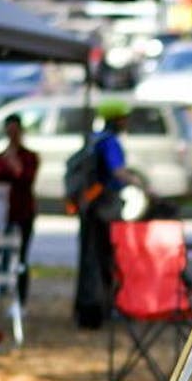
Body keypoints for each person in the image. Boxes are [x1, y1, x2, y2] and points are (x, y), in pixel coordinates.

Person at [73, 98, 139, 329]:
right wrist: (141, 184)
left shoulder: (94, 139)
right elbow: (118, 171)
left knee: (90, 258)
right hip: (104, 209)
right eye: (124, 117)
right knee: (106, 259)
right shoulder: (110, 143)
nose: (127, 121)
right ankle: (103, 308)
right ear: (117, 119)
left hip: (89, 208)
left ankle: (87, 309)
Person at [0, 113, 40, 304]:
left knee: (21, 257)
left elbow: (26, 178)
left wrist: (13, 162)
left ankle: (21, 299)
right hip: (4, 212)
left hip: (24, 211)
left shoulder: (29, 157)